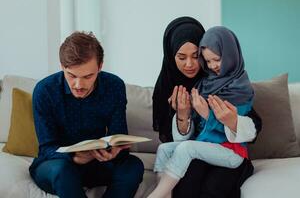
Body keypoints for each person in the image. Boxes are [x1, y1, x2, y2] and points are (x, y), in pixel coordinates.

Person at [152, 17, 262, 198]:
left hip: (228, 152)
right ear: (171, 56)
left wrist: (230, 121)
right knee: (185, 184)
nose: (189, 64)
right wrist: (183, 116)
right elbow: (176, 144)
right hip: (196, 151)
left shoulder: (228, 81)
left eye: (196, 56)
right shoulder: (168, 88)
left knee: (214, 188)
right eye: (181, 57)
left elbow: (254, 125)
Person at [29, 31, 144, 198]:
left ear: (100, 66)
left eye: (88, 76)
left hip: (97, 163)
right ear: (62, 66)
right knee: (62, 170)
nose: (78, 85)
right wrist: (74, 157)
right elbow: (46, 148)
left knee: (133, 166)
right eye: (71, 75)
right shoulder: (44, 91)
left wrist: (114, 151)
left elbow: (118, 135)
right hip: (57, 165)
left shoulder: (114, 86)